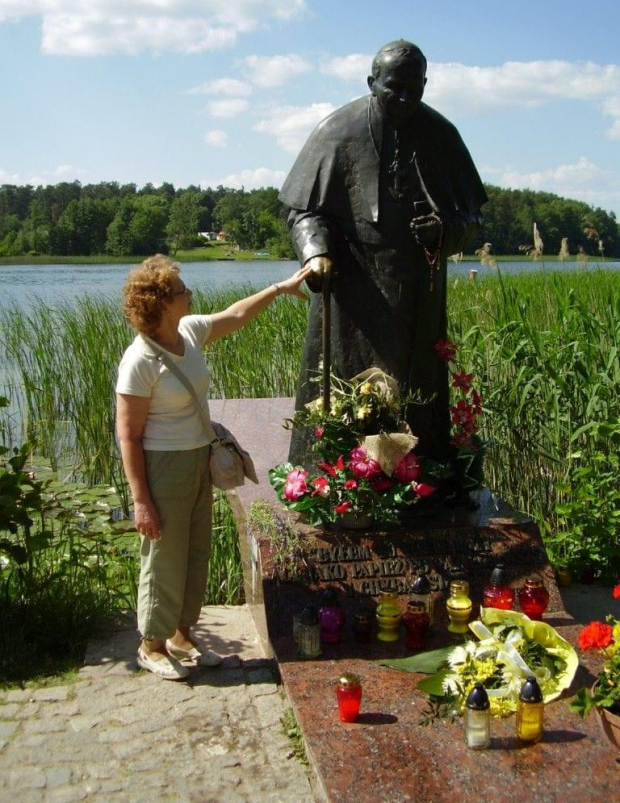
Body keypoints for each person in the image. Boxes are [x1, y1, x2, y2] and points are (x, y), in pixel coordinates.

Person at [279, 40, 487, 465]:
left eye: (416, 88)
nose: (406, 98)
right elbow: (303, 209)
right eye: (395, 87)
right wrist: (315, 252)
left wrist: (446, 232)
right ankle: (334, 475)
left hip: (418, 293)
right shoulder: (337, 131)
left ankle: (420, 475)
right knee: (344, 388)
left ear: (425, 84)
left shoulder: (442, 136)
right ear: (372, 82)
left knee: (417, 394)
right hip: (352, 284)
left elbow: (473, 220)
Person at [116, 255, 309, 679]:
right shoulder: (140, 360)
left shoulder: (187, 331)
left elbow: (235, 315)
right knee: (165, 555)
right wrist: (140, 500)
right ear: (163, 303)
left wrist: (279, 288)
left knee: (196, 551)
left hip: (198, 457)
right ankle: (151, 643)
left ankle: (182, 636)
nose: (190, 295)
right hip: (162, 465)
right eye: (183, 291)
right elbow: (128, 436)